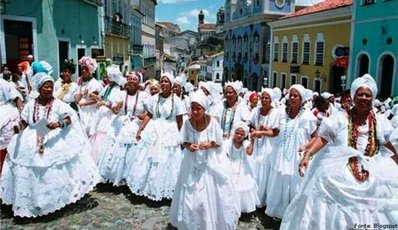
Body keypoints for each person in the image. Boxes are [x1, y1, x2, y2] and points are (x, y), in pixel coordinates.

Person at [281, 74, 398, 230]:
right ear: (353, 96)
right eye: (360, 94)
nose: (363, 98)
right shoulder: (340, 119)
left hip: (373, 172)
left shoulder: (380, 121)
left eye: (367, 95)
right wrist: (308, 155)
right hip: (339, 171)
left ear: (372, 97)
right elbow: (323, 139)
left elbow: (386, 143)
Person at [0, 72, 100, 217]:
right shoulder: (31, 104)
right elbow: (24, 121)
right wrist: (18, 128)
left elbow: (69, 118)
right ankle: (32, 201)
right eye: (46, 87)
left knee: (51, 171)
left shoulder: (58, 104)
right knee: (29, 168)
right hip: (31, 139)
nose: (49, 90)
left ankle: (52, 202)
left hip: (53, 139)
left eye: (51, 87)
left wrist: (59, 124)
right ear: (39, 88)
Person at [169, 90, 240, 229]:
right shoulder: (188, 123)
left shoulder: (212, 122)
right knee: (191, 194)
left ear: (204, 109)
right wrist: (189, 146)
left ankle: (209, 222)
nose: (195, 112)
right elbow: (183, 141)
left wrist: (208, 144)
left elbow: (219, 142)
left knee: (209, 195)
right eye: (193, 109)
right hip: (192, 162)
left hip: (210, 162)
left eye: (198, 109)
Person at [126, 72, 184, 201]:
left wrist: (182, 137)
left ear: (171, 84)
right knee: (148, 158)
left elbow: (180, 120)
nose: (163, 84)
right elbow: (150, 115)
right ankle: (148, 187)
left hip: (169, 132)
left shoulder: (177, 101)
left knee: (166, 160)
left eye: (166, 81)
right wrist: (141, 128)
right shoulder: (154, 98)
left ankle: (164, 189)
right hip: (154, 130)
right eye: (162, 81)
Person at [265, 84, 317, 220]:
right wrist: (261, 132)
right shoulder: (281, 113)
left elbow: (316, 137)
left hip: (297, 156)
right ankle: (279, 212)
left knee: (295, 182)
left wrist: (306, 146)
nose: (292, 98)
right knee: (280, 179)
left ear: (302, 99)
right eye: (291, 95)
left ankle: (294, 214)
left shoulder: (308, 116)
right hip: (281, 154)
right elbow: (275, 131)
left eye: (296, 96)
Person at [97, 71, 148, 186]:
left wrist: (141, 116)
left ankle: (129, 178)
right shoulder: (120, 94)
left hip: (136, 124)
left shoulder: (144, 96)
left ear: (139, 82)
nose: (131, 81)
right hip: (120, 124)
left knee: (132, 151)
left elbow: (150, 112)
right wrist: (116, 107)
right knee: (116, 150)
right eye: (129, 79)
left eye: (134, 79)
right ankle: (115, 176)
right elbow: (114, 110)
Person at [249, 88, 280, 207]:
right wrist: (254, 131)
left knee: (264, 171)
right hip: (256, 144)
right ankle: (253, 198)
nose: (264, 100)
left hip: (268, 147)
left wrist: (262, 132)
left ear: (271, 100)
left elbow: (275, 132)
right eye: (263, 98)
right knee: (254, 169)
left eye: (267, 98)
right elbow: (250, 125)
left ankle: (262, 200)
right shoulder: (256, 111)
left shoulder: (275, 112)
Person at [225, 122, 259, 214]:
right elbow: (224, 153)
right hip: (230, 164)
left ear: (245, 135)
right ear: (234, 133)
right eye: (237, 133)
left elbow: (249, 152)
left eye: (242, 134)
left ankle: (240, 207)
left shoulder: (245, 143)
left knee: (242, 186)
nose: (239, 135)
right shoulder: (229, 142)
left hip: (241, 166)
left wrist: (252, 141)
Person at [0, 77, 23, 175]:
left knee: (8, 149)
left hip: (5, 116)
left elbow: (17, 98)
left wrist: (23, 115)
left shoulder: (2, 83)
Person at [77, 56, 103, 136]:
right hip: (80, 110)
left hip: (90, 112)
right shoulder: (79, 82)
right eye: (82, 69)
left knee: (88, 130)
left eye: (86, 69)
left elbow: (96, 100)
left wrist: (83, 104)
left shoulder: (95, 84)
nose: (83, 71)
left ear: (90, 70)